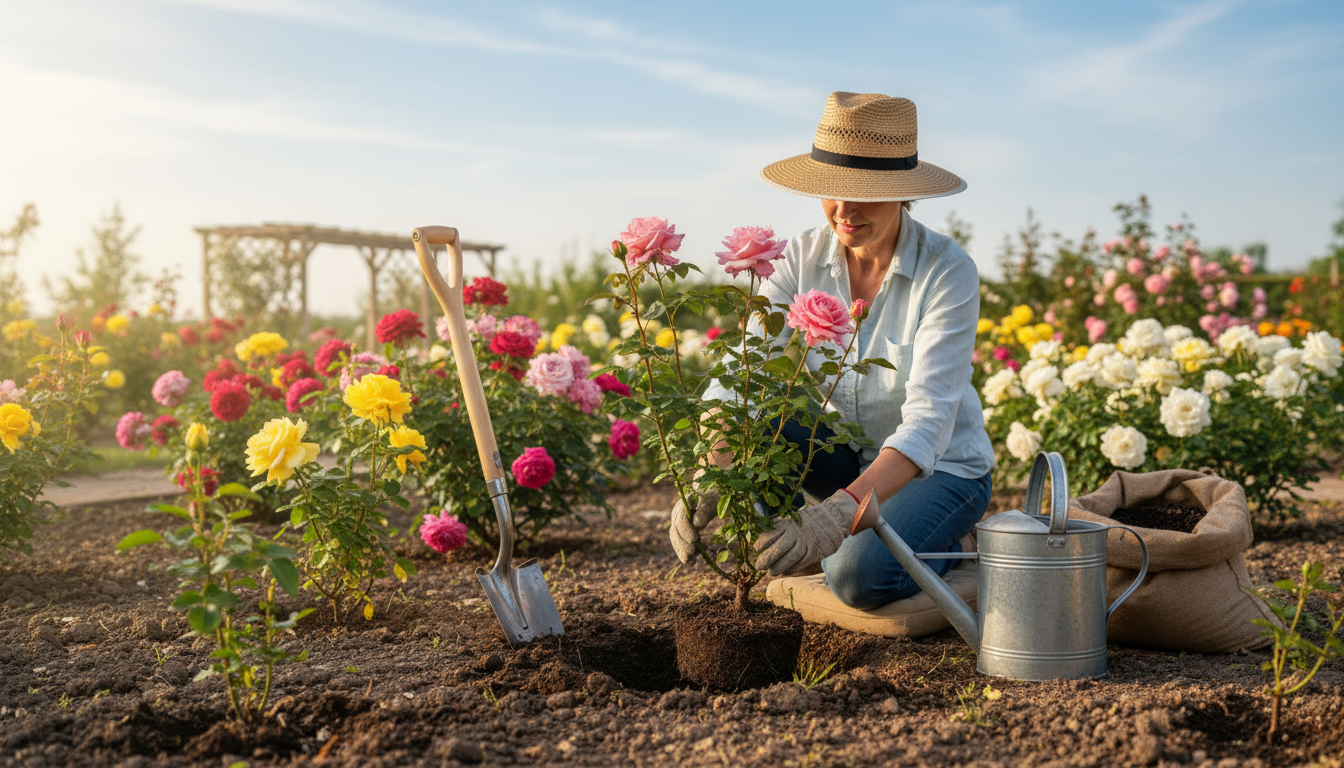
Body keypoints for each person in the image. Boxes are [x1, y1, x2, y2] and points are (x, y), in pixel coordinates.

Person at [669, 91, 995, 610]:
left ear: (902, 193)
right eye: (832, 190)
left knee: (855, 576)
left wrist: (835, 518)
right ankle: (806, 545)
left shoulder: (946, 271)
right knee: (754, 429)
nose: (843, 211)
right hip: (848, 456)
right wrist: (713, 468)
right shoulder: (800, 257)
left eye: (863, 192)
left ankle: (956, 544)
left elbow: (928, 424)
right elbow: (744, 370)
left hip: (941, 470)